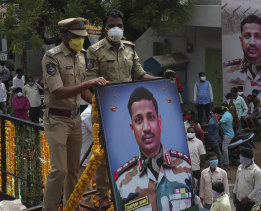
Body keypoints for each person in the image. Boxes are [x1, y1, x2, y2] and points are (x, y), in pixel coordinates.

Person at [85, 10, 170, 207]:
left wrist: (163, 79)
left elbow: (140, 75)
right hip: (105, 112)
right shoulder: (94, 51)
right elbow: (87, 83)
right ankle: (103, 194)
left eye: (120, 26)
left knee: (128, 150)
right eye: (112, 25)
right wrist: (98, 108)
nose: (116, 29)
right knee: (103, 154)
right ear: (105, 28)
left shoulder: (130, 48)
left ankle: (127, 188)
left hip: (127, 111)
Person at [41, 17, 107, 210]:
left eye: (82, 37)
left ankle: (72, 207)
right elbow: (58, 92)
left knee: (73, 171)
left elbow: (83, 92)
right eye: (75, 37)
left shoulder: (81, 56)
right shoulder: (51, 57)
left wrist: (99, 103)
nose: (80, 40)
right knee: (59, 170)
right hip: (56, 119)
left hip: (75, 118)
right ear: (64, 36)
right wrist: (88, 84)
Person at [114, 87, 194, 210]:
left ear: (159, 122)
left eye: (151, 117)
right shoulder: (121, 182)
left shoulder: (185, 166)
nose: (146, 127)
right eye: (138, 120)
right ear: (132, 128)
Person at [223, 14, 261, 96]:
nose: (252, 42)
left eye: (257, 36)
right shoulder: (226, 71)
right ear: (241, 41)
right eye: (247, 36)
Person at [79, 105, 94, 208]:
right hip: (82, 159)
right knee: (85, 192)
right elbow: (98, 134)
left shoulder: (90, 112)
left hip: (86, 158)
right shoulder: (89, 114)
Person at [219, 103, 234, 170]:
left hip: (228, 135)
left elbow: (218, 123)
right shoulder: (227, 114)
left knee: (224, 149)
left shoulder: (226, 115)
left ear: (223, 109)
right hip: (228, 133)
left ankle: (227, 165)